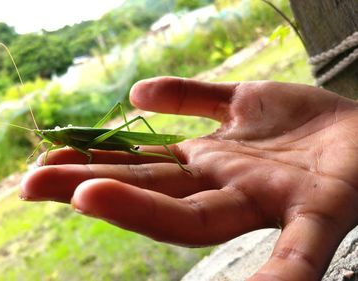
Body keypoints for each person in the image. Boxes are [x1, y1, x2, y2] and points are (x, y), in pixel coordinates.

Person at [20, 77, 358, 281]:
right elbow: (85, 154)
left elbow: (90, 153)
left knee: (122, 124)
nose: (46, 137)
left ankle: (162, 150)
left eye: (45, 134)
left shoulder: (67, 135)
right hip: (100, 146)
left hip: (110, 139)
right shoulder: (59, 140)